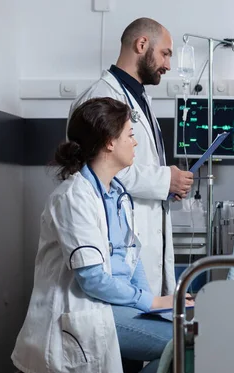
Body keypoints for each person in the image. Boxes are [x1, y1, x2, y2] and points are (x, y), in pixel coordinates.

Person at [11, 97, 193, 373]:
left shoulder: (115, 193)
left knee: (187, 328)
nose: (134, 143)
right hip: (89, 310)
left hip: (115, 306)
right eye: (130, 135)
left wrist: (157, 303)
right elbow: (93, 279)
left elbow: (130, 256)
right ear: (110, 143)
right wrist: (150, 302)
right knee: (185, 343)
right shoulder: (73, 198)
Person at [68, 17, 193, 297]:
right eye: (165, 53)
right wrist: (165, 180)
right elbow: (102, 168)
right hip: (117, 241)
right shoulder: (100, 98)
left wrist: (166, 185)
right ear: (141, 44)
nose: (168, 65)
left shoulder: (140, 98)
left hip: (145, 230)